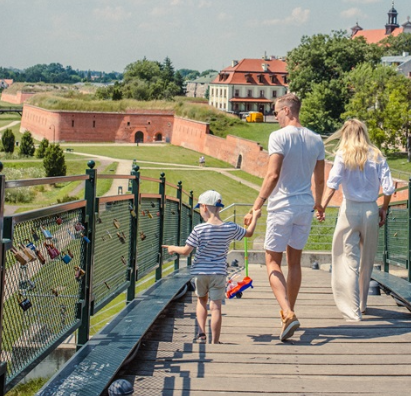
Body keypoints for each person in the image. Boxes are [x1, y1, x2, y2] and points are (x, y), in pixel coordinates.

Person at [245, 93, 325, 341]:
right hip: (305, 207)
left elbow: (272, 175)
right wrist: (319, 204)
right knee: (295, 263)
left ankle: (288, 313)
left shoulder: (278, 137)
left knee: (272, 262)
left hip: (282, 206)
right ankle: (289, 314)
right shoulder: (316, 138)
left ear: (288, 110)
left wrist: (256, 205)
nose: (275, 116)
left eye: (277, 111)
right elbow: (320, 179)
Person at [316, 119, 395, 322]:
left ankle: (352, 309)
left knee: (347, 259)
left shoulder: (343, 155)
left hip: (350, 210)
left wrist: (322, 206)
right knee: (366, 261)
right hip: (370, 209)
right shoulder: (377, 155)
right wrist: (383, 208)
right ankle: (362, 304)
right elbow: (388, 188)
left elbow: (332, 183)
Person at [164, 190, 260, 344]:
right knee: (216, 308)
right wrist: (255, 217)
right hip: (218, 273)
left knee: (202, 302)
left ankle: (201, 334)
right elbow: (248, 233)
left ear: (204, 207)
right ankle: (215, 341)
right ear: (219, 207)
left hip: (201, 273)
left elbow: (186, 251)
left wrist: (172, 248)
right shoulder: (230, 227)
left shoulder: (199, 229)